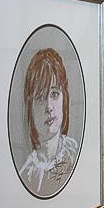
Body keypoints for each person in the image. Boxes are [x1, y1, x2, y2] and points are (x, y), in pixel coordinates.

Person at [17, 45, 80, 197]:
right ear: (30, 108)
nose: (49, 107)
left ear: (64, 98)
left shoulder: (75, 154)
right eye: (39, 98)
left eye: (54, 94)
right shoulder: (27, 174)